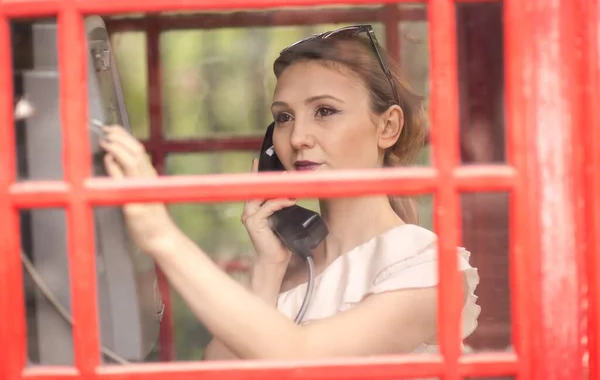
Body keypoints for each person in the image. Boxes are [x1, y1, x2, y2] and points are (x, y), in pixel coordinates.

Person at [99, 25, 480, 360]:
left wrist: (159, 234)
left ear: (388, 127)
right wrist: (268, 268)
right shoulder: (292, 266)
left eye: (325, 111)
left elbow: (300, 357)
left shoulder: (427, 268)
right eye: (284, 117)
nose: (297, 138)